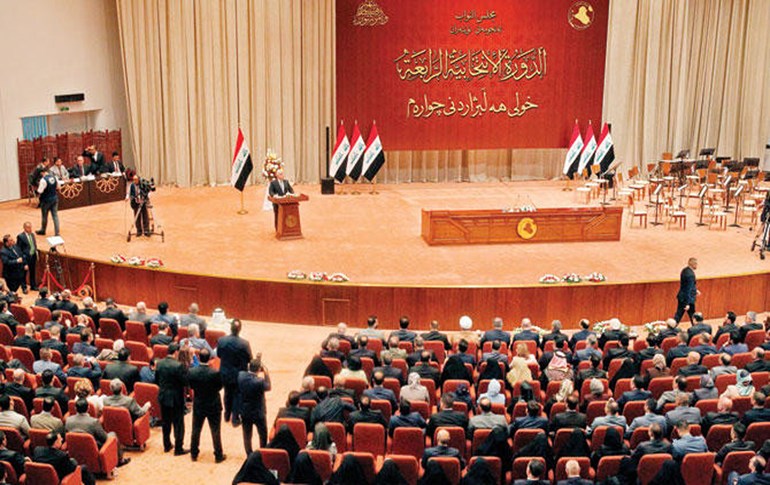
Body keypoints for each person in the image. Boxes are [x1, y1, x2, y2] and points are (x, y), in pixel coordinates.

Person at [65, 398, 130, 466]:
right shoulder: (93, 422)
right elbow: (104, 438)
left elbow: (66, 434)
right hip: (93, 448)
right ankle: (120, 460)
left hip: (76, 450)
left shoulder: (68, 420)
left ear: (75, 408)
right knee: (112, 434)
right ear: (88, 408)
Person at [188, 348, 225, 462]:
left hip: (199, 404)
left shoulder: (192, 371)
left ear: (198, 358)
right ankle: (218, 455)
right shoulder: (215, 373)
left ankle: (194, 453)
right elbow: (220, 387)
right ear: (209, 359)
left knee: (196, 430)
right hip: (213, 404)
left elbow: (191, 386)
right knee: (215, 431)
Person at [156, 343, 188, 455]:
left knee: (166, 422)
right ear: (176, 352)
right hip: (176, 399)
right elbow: (185, 382)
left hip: (163, 397)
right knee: (178, 423)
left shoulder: (159, 363)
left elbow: (156, 379)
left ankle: (167, 445)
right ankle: (178, 448)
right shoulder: (178, 366)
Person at [218, 319, 252, 426]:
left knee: (227, 393)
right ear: (240, 329)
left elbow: (219, 355)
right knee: (237, 395)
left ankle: (227, 415)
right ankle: (235, 418)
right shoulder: (244, 344)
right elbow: (249, 358)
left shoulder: (221, 340)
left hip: (225, 372)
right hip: (239, 374)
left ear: (230, 328)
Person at [239, 355, 271, 454]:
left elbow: (247, 371)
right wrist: (266, 373)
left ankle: (249, 453)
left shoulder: (241, 376)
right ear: (259, 369)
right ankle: (262, 452)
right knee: (262, 433)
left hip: (245, 410)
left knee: (247, 434)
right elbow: (268, 387)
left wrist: (257, 360)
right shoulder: (259, 382)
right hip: (258, 411)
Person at [35, 167, 60, 236]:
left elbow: (40, 191)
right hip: (54, 198)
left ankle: (43, 230)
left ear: (43, 173)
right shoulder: (54, 177)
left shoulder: (43, 180)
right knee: (55, 216)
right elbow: (58, 187)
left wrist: (37, 195)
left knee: (44, 216)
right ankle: (57, 233)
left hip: (46, 200)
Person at [674, 257, 699, 323]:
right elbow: (688, 289)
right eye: (696, 264)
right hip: (688, 299)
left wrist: (695, 290)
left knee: (679, 315)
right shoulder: (691, 275)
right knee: (692, 316)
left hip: (682, 297)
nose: (697, 265)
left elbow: (686, 285)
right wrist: (687, 303)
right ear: (693, 264)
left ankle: (671, 328)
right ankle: (695, 330)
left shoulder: (684, 270)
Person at [16, 222, 37, 292]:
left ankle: (33, 286)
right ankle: (24, 287)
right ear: (25, 228)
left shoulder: (32, 235)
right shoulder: (20, 236)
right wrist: (24, 262)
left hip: (33, 256)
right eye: (28, 227)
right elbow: (19, 250)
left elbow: (34, 245)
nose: (30, 229)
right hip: (26, 258)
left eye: (31, 227)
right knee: (24, 273)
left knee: (32, 272)